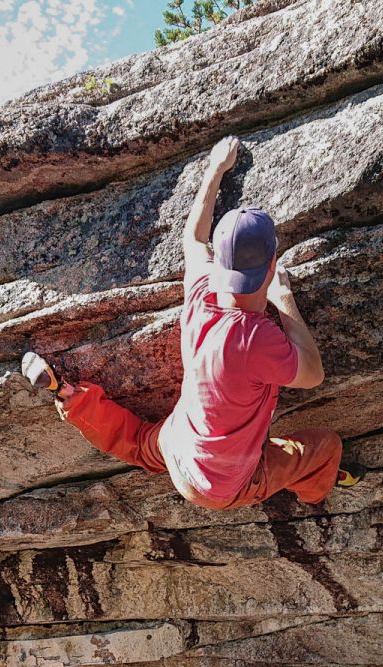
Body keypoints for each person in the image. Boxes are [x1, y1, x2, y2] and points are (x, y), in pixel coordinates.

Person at [19, 134, 362, 511]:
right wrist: (285, 302)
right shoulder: (255, 337)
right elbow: (313, 374)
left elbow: (193, 237)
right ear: (270, 266)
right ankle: (313, 489)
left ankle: (67, 394)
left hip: (178, 447)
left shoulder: (203, 291)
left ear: (222, 264)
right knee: (326, 447)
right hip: (220, 488)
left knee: (138, 441)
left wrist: (214, 169)